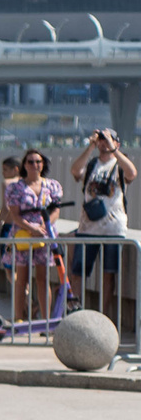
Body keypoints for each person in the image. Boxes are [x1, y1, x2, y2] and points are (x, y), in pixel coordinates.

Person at [68, 128, 135, 316]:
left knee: (109, 274)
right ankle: (76, 313)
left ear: (117, 143)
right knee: (78, 272)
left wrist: (114, 150)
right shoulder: (91, 165)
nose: (104, 143)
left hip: (113, 228)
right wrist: (91, 145)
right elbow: (75, 171)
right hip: (88, 227)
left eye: (108, 139)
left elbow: (132, 173)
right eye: (102, 140)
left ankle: (103, 315)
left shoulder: (119, 164)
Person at [3, 148, 64, 323]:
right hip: (24, 234)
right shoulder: (16, 188)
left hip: (45, 235)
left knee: (43, 278)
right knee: (21, 278)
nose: (34, 165)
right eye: (30, 162)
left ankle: (46, 320)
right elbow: (14, 214)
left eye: (38, 161)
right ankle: (19, 317)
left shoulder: (52, 186)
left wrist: (43, 227)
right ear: (24, 165)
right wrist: (31, 228)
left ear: (43, 164)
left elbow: (56, 211)